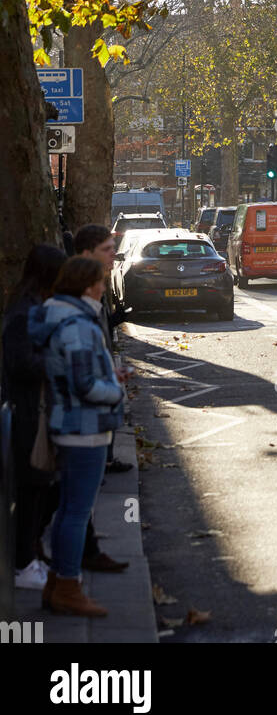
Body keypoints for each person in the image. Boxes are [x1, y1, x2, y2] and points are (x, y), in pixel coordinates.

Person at [29, 255, 128, 617]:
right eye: (101, 281)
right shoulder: (78, 324)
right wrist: (115, 391)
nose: (105, 286)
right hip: (84, 428)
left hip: (70, 424)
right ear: (88, 286)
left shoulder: (57, 314)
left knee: (68, 510)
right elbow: (84, 384)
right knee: (75, 511)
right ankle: (68, 587)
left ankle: (57, 584)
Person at [1, 244, 66, 590]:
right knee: (31, 490)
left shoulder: (34, 308)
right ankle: (23, 564)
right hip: (28, 413)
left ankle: (28, 556)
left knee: (41, 488)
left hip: (38, 409)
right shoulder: (24, 313)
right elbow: (20, 364)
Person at [73, 224, 133, 475]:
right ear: (87, 254)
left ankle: (105, 460)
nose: (113, 254)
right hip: (83, 417)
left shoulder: (96, 287)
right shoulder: (79, 296)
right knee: (79, 508)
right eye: (106, 249)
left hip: (97, 399)